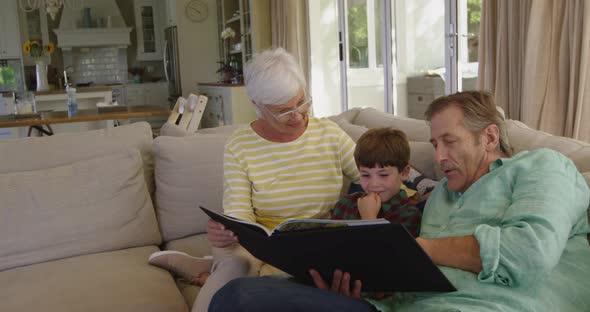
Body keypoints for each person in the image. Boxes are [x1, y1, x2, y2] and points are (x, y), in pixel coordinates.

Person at [208, 91, 590, 312]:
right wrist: (359, 282)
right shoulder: (440, 195)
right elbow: (410, 284)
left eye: (449, 141)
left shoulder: (543, 167)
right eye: (435, 144)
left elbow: (530, 253)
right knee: (240, 296)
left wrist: (413, 247)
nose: (439, 156)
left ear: (489, 137)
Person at [148, 47, 360, 312]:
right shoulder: (240, 145)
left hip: (312, 244)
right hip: (255, 244)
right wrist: (227, 231)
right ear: (257, 106)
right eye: (284, 111)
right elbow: (240, 215)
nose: (297, 116)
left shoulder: (330, 134)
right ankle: (217, 269)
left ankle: (204, 270)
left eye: (302, 103)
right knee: (238, 268)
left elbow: (374, 174)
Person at [330, 127, 422, 237]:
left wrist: (369, 219)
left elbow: (381, 253)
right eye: (365, 175)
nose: (374, 184)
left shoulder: (409, 216)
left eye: (383, 175)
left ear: (404, 173)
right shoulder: (344, 205)